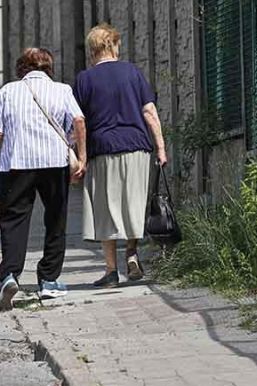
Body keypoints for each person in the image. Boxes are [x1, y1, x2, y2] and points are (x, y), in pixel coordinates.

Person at [0, 48, 87, 311]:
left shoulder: (8, 91)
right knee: (56, 219)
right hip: (54, 163)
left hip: (16, 164)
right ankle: (49, 280)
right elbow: (79, 120)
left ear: (22, 68)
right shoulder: (63, 90)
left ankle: (9, 276)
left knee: (13, 221)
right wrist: (82, 155)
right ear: (49, 68)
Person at [73, 23, 168, 288]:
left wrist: (79, 157)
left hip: (103, 149)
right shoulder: (132, 72)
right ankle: (133, 253)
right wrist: (160, 147)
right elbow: (149, 112)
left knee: (106, 208)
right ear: (111, 46)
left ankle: (111, 271)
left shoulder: (84, 79)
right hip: (137, 146)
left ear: (93, 50)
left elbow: (78, 122)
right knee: (133, 203)